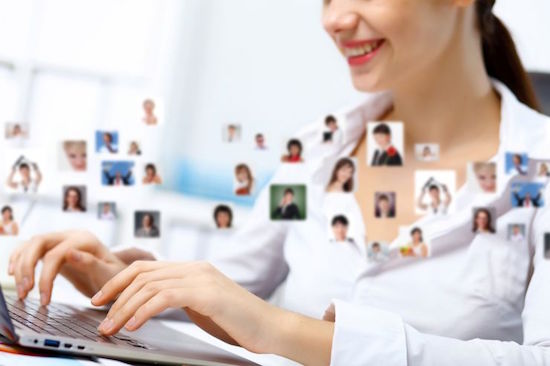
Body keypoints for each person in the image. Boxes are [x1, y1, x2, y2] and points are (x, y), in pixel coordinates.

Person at [9, 1, 550, 365]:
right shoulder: (318, 147)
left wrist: (285, 333)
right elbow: (231, 292)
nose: (334, 18)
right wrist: (121, 278)